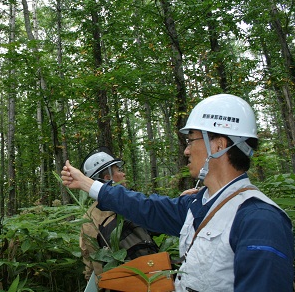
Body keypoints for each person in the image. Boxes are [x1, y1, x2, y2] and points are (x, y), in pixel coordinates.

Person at [62, 94, 294, 292]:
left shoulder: (259, 221)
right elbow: (144, 206)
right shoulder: (197, 205)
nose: (185, 150)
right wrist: (86, 184)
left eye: (191, 140)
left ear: (219, 145)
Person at [79, 147, 158, 284]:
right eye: (119, 170)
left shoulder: (87, 218)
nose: (123, 174)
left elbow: (89, 264)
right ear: (108, 178)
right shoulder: (126, 207)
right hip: (143, 281)